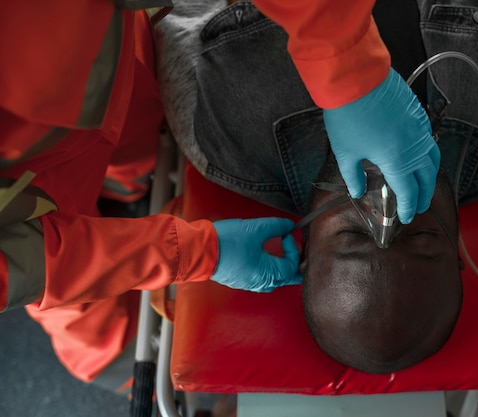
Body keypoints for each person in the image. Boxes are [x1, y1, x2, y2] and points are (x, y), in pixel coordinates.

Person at [155, 0, 478, 373]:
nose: (386, 207)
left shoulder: (224, 138)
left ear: (305, 248)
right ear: (459, 251)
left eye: (354, 233)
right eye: (421, 235)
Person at [0, 1, 300, 392]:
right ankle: (117, 358)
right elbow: (30, 263)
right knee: (80, 305)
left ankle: (127, 186)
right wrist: (198, 252)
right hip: (28, 196)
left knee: (137, 135)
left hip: (111, 57)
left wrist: (346, 67)